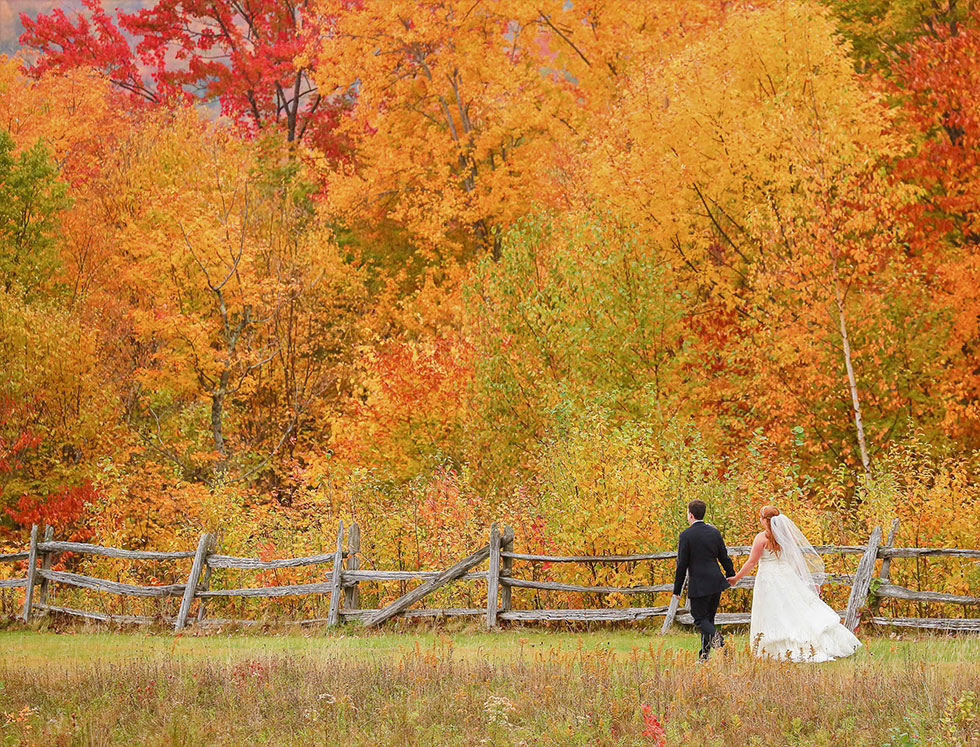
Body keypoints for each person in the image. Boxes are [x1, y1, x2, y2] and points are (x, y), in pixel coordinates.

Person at [727, 505, 862, 662]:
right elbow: (797, 561)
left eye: (761, 518)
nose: (760, 521)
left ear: (765, 520)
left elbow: (751, 562)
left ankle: (774, 647)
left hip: (768, 579)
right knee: (795, 610)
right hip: (787, 576)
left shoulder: (761, 538)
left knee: (774, 612)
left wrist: (736, 578)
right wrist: (805, 581)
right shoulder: (786, 537)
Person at [672, 499, 736, 661]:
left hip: (700, 584)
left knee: (700, 619)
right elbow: (724, 556)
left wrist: (677, 590)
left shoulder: (686, 535)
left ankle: (723, 647)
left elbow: (681, 565)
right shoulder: (714, 532)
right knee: (708, 620)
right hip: (715, 581)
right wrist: (730, 574)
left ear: (691, 515)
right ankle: (704, 657)